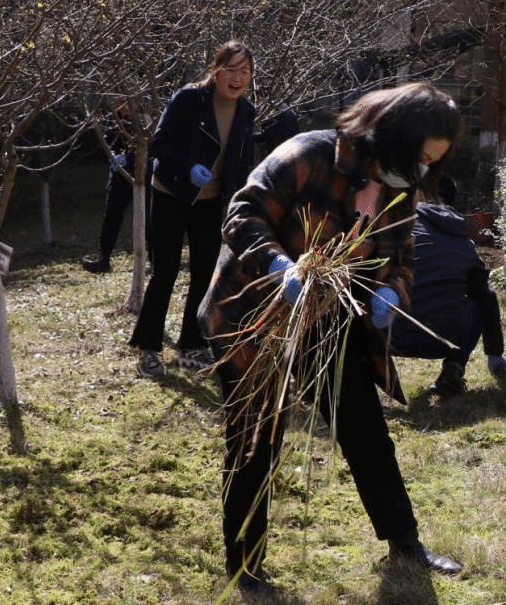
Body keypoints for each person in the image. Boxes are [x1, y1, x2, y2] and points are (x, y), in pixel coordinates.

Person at [198, 84, 464, 597]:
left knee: (365, 428)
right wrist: (278, 265)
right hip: (256, 315)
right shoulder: (309, 155)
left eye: (432, 162)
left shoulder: (400, 186)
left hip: (326, 317)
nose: (423, 170)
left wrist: (391, 290)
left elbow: (403, 257)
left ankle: (404, 542)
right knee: (257, 438)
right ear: (394, 137)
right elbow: (242, 213)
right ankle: (245, 563)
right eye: (421, 156)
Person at [129, 40, 257, 379]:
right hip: (171, 194)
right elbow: (159, 145)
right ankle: (148, 349)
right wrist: (187, 168)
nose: (237, 78)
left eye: (245, 71)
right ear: (216, 70)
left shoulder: (247, 112)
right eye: (231, 69)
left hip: (211, 202)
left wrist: (240, 201)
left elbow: (242, 162)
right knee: (166, 271)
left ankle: (191, 344)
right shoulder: (189, 99)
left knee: (204, 272)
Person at [391, 175, 506, 397]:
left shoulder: (396, 224)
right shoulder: (463, 240)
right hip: (441, 341)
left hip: (388, 336)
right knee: (479, 300)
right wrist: (495, 355)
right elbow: (486, 295)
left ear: (422, 194)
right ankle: (453, 370)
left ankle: (360, 372)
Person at [81, 98, 151, 273]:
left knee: (150, 218)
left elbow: (151, 144)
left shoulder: (146, 118)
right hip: (120, 176)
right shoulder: (113, 119)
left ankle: (153, 259)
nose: (122, 105)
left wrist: (129, 158)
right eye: (118, 102)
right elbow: (108, 142)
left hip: (144, 172)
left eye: (125, 101)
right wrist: (114, 157)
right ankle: (103, 259)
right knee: (112, 215)